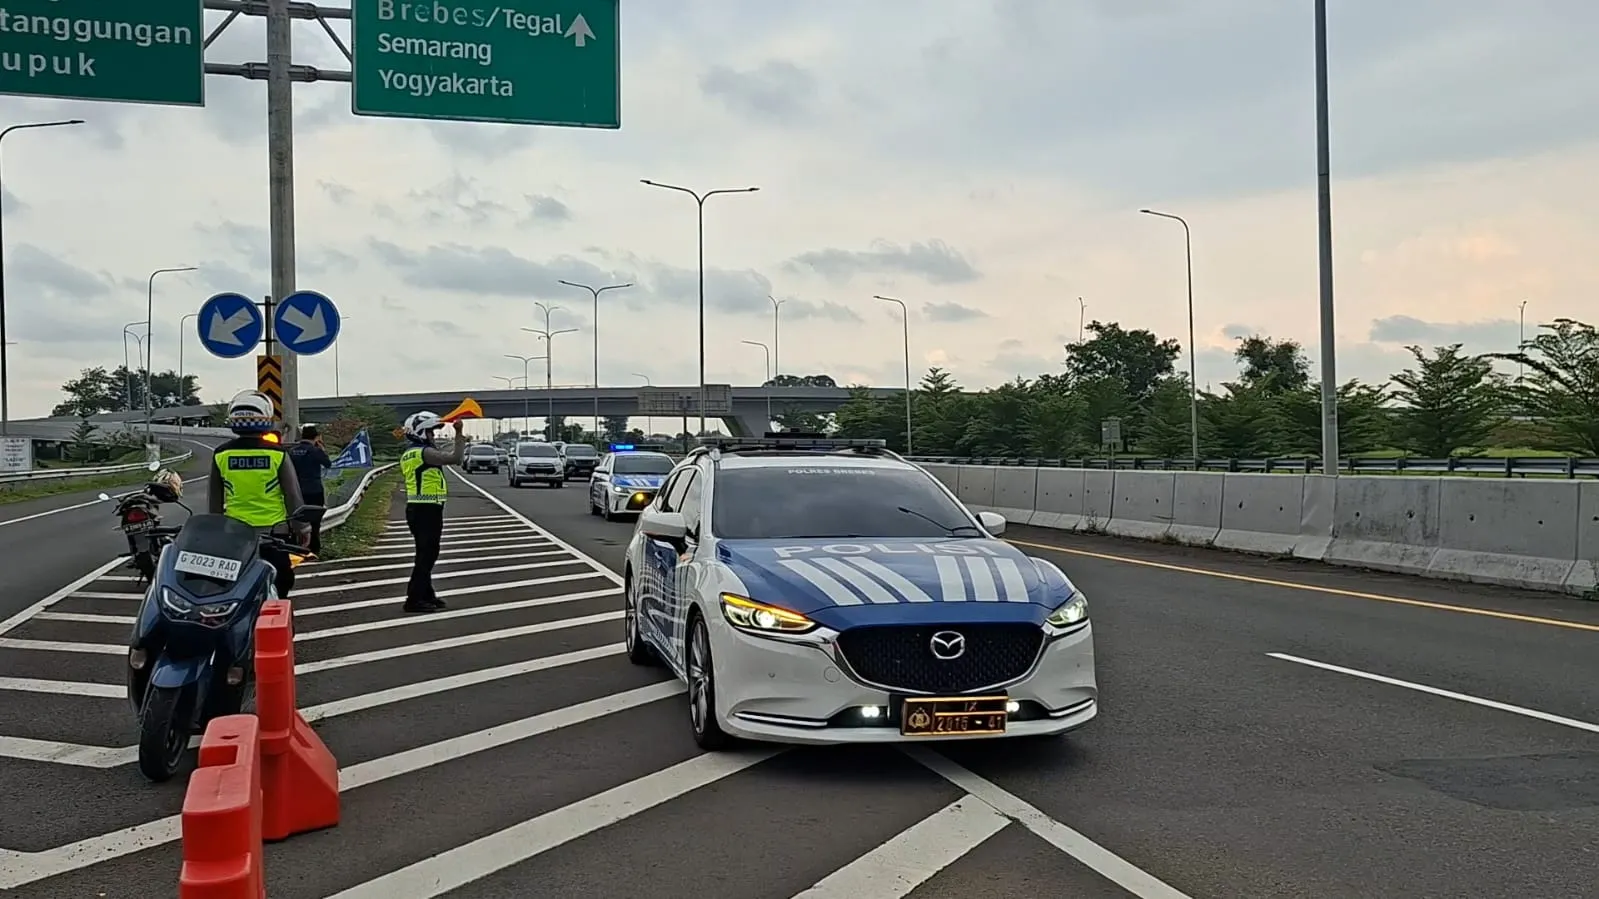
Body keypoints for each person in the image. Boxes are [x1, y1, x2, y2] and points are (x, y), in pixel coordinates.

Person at [207, 390, 310, 599]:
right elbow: (292, 495)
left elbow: (215, 500)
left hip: (235, 533)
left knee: (234, 584)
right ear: (266, 417)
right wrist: (302, 528)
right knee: (281, 582)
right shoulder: (277, 453)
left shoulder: (221, 454)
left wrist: (216, 531)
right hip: (274, 532)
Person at [399, 411, 465, 614]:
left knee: (424, 553)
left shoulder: (409, 453)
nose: (433, 436)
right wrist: (459, 432)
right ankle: (414, 599)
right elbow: (456, 458)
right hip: (427, 509)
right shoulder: (425, 453)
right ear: (420, 432)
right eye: (430, 432)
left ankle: (427, 594)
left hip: (417, 508)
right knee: (427, 555)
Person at [288, 424, 332, 555]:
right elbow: (328, 464)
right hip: (314, 490)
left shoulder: (292, 451)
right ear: (316, 437)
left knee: (296, 519)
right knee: (315, 522)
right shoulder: (315, 451)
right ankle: (314, 548)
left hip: (296, 490)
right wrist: (322, 449)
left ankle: (296, 547)